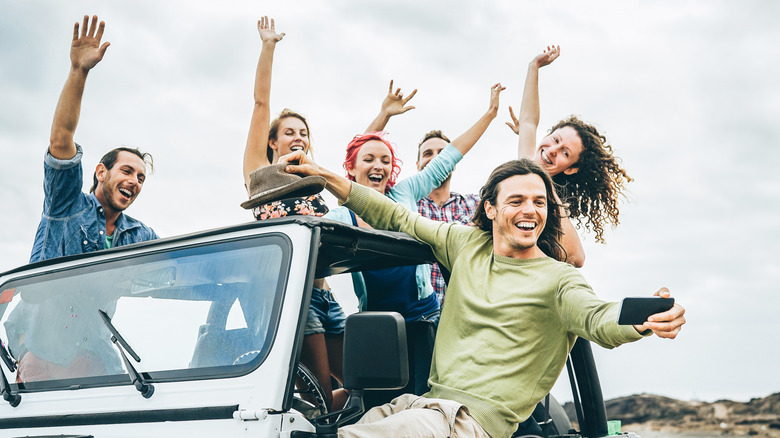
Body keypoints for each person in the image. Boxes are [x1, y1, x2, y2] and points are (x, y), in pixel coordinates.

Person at [281, 152, 686, 438]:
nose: (531, 210)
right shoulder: (466, 245)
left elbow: (599, 318)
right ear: (490, 209)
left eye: (539, 202)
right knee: (305, 430)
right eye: (517, 200)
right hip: (420, 406)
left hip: (469, 425)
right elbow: (397, 216)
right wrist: (329, 178)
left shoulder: (559, 281)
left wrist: (642, 320)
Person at [8, 15, 157, 383]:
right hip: (47, 356)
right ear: (101, 172)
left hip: (99, 355)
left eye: (141, 178)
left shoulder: (139, 235)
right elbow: (61, 142)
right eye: (127, 171)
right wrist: (79, 71)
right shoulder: (67, 206)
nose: (134, 181)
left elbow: (181, 269)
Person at [324, 83, 505, 324]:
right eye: (369, 160)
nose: (378, 165)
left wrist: (490, 114)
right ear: (351, 168)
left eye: (385, 161)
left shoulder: (404, 192)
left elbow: (449, 158)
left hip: (425, 314)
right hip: (376, 319)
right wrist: (384, 114)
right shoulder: (343, 214)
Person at [239, 17, 344, 412]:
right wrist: (268, 47)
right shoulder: (260, 175)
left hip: (326, 297)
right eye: (289, 132)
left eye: (303, 132)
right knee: (320, 396)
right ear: (272, 140)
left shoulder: (315, 180)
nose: (298, 137)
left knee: (366, 384)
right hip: (293, 297)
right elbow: (261, 104)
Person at [506, 45, 632, 250]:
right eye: (555, 140)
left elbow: (577, 256)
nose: (554, 150)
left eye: (565, 153)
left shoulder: (551, 204)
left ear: (571, 168)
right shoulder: (526, 161)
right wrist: (534, 66)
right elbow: (529, 121)